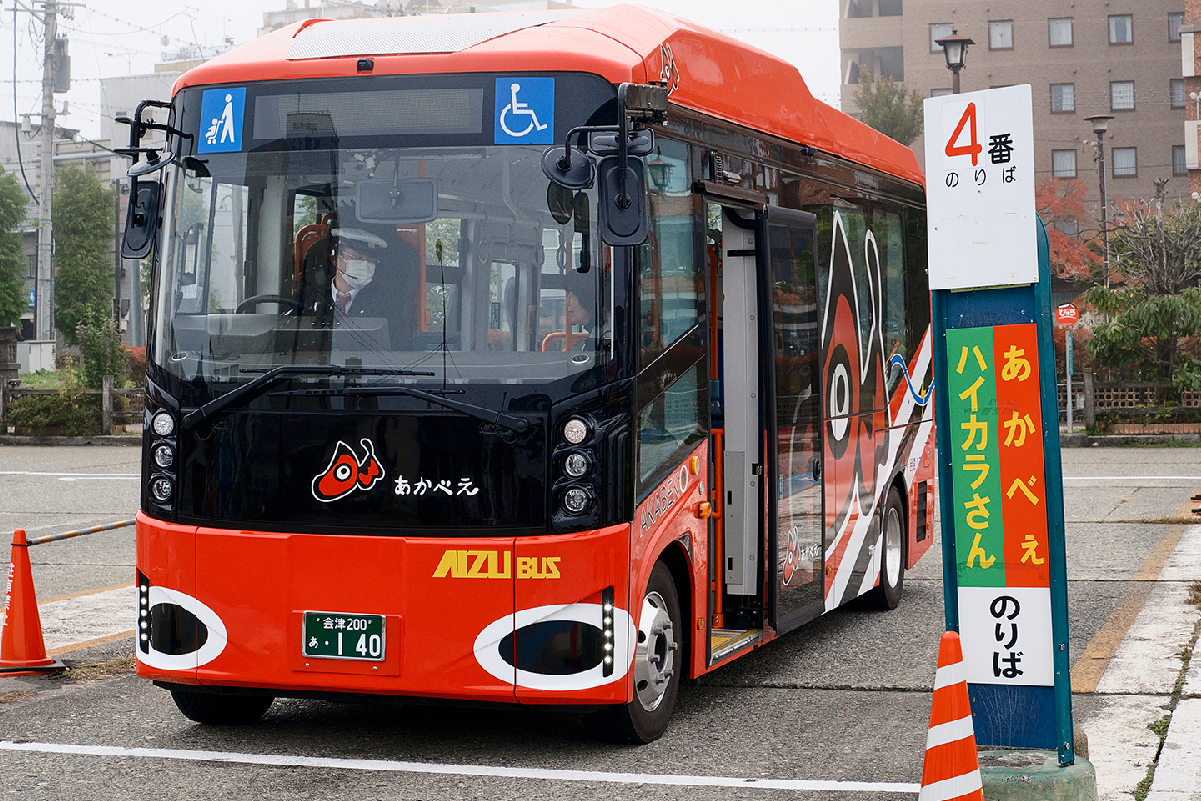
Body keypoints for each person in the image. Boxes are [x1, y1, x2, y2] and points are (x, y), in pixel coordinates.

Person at [297, 226, 419, 349]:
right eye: (358, 258)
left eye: (371, 260)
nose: (365, 265)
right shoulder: (307, 298)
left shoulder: (385, 305)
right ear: (334, 258)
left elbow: (397, 349)